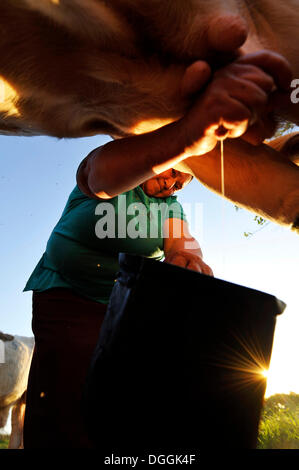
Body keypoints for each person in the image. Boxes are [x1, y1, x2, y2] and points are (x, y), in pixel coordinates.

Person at [23, 50, 284, 448]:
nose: (178, 183)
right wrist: (184, 139)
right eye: (176, 170)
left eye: (188, 180)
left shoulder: (171, 209)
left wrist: (190, 263)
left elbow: (182, 248)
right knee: (63, 404)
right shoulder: (115, 164)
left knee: (117, 404)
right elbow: (101, 177)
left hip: (122, 310)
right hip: (65, 297)